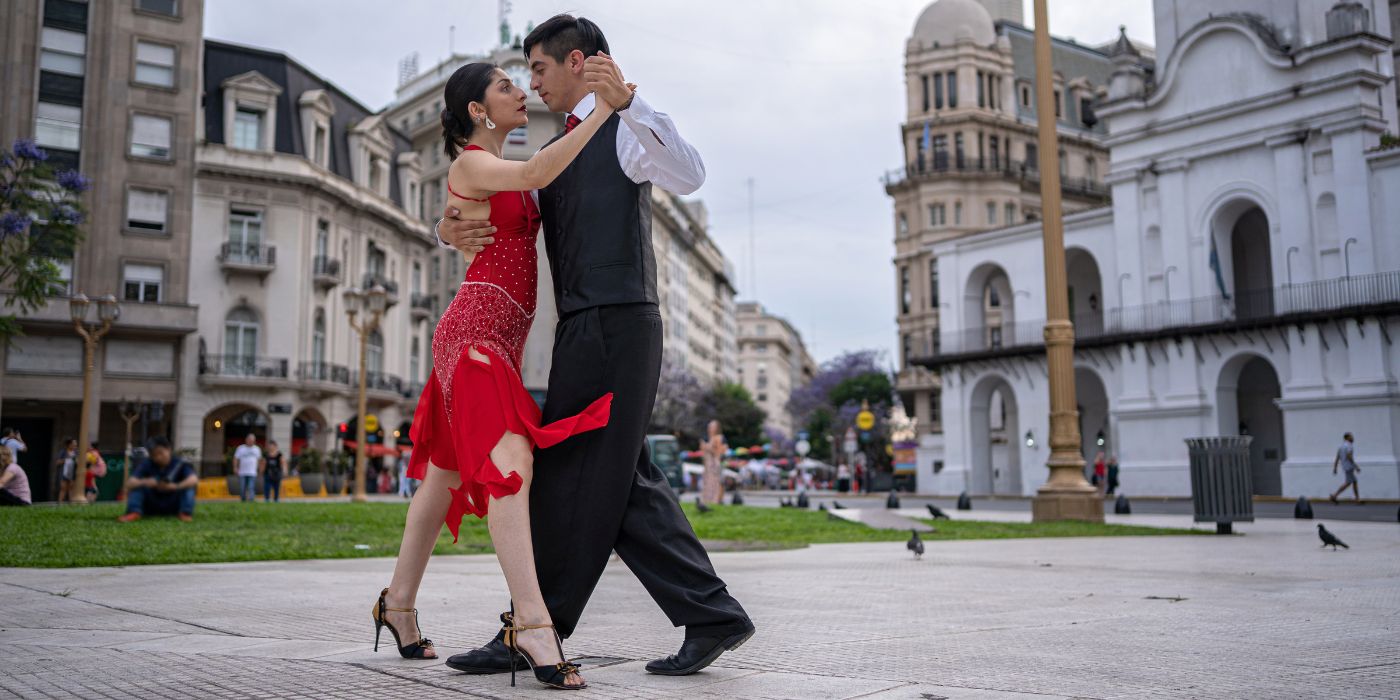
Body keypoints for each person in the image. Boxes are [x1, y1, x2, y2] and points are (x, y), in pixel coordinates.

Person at [430, 14, 752, 683]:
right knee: (615, 479)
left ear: (577, 62)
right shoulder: (564, 142)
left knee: (584, 475)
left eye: (539, 70)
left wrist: (631, 104)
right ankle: (705, 613)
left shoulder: (624, 129)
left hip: (617, 322)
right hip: (585, 328)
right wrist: (448, 228)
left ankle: (537, 627)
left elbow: (689, 174)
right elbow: (500, 205)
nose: (532, 84)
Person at [373, 50, 623, 690]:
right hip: (476, 333)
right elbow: (537, 169)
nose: (523, 93)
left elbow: (476, 209)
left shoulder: (485, 168)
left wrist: (443, 228)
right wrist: (605, 109)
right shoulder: (473, 161)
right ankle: (534, 625)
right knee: (512, 466)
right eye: (509, 87)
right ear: (479, 110)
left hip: (496, 338)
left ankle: (397, 604)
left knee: (442, 479)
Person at [118, 436, 197, 522]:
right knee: (137, 486)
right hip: (152, 503)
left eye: (160, 453)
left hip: (174, 502)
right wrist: (145, 482)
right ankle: (134, 512)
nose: (158, 458)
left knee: (189, 487)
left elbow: (193, 479)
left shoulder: (179, 463)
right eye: (154, 455)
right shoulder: (147, 464)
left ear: (168, 449)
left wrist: (174, 486)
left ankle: (185, 513)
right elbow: (129, 484)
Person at [700, 420, 727, 505]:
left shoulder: (719, 438)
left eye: (712, 426)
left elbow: (720, 452)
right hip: (708, 465)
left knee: (716, 483)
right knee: (707, 483)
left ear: (717, 428)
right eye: (709, 426)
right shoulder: (706, 438)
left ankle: (716, 501)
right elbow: (703, 453)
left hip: (716, 464)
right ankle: (707, 501)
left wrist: (708, 447)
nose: (710, 428)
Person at [1329, 432, 1361, 504]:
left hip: (1345, 467)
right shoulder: (1349, 446)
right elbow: (1349, 456)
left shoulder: (1341, 446)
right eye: (1351, 436)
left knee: (1353, 481)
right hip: (1349, 467)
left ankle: (1357, 498)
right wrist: (1356, 466)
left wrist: (1335, 467)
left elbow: (1337, 458)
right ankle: (1334, 495)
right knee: (1348, 483)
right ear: (1347, 438)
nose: (1353, 438)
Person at [233, 434, 262, 502]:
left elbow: (259, 460)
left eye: (252, 440)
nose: (251, 441)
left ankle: (251, 500)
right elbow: (235, 458)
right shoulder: (241, 448)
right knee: (242, 487)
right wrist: (235, 467)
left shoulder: (257, 449)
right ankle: (243, 500)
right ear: (246, 440)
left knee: (251, 487)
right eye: (249, 440)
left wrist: (260, 470)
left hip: (252, 472)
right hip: (242, 472)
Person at [54, 438, 78, 503]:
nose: (75, 446)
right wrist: (66, 460)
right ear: (69, 444)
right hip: (64, 472)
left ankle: (71, 503)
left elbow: (78, 462)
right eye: (73, 444)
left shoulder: (76, 453)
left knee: (71, 488)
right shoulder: (63, 452)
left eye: (76, 445)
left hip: (72, 473)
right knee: (63, 488)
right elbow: (57, 462)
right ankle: (60, 502)